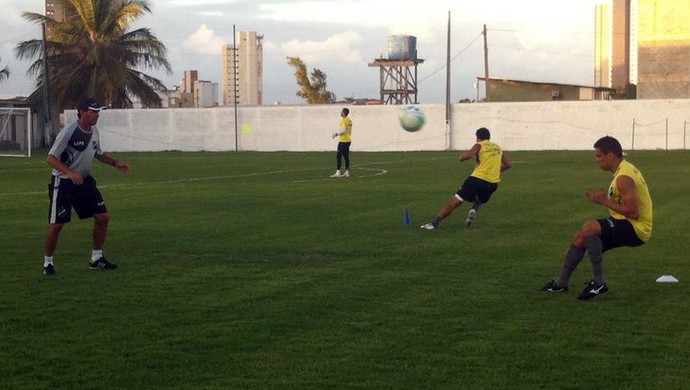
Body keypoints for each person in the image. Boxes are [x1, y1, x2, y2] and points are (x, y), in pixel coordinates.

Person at [540, 136, 653, 300]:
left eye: (599, 156)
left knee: (589, 227)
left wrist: (604, 201)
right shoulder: (623, 170)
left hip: (636, 228)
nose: (596, 160)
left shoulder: (623, 178)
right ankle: (560, 283)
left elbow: (633, 212)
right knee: (580, 238)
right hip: (627, 222)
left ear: (611, 156)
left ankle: (599, 282)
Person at [42, 96, 131, 276]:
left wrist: (114, 162)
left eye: (98, 112)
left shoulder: (94, 131)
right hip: (64, 184)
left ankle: (96, 258)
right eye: (93, 112)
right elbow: (51, 158)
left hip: (84, 182)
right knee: (58, 224)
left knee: (103, 217)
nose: (97, 115)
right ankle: (48, 262)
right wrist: (69, 172)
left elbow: (98, 153)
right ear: (82, 111)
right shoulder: (69, 131)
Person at [420, 127, 511, 230]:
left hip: (477, 179)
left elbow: (469, 154)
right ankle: (474, 209)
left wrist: (462, 157)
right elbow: (508, 164)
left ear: (478, 137)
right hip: (492, 183)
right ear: (489, 137)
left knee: (456, 201)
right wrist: (493, 172)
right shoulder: (498, 148)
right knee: (480, 197)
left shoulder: (479, 145)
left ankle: (433, 224)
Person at [330, 107, 352, 178]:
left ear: (344, 113)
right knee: (346, 156)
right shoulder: (349, 120)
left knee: (338, 156)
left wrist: (336, 134)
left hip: (343, 141)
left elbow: (343, 130)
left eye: (341, 112)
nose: (340, 113)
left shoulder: (343, 120)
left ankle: (338, 172)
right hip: (348, 140)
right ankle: (347, 171)